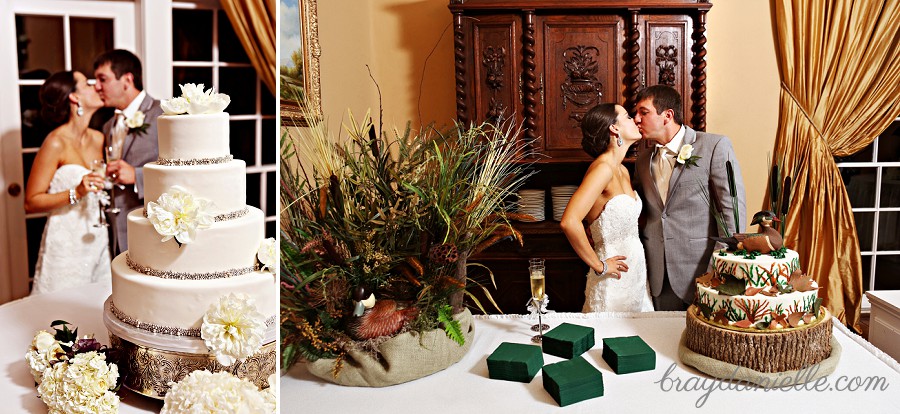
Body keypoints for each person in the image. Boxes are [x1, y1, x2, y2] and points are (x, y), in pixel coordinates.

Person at [633, 85, 746, 311]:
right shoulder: (642, 160)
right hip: (658, 275)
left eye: (643, 112)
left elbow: (732, 212)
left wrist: (719, 267)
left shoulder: (714, 146)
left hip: (703, 271)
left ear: (667, 115)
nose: (636, 119)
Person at [560, 103, 654, 312]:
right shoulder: (603, 169)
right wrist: (600, 266)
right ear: (614, 128)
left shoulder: (622, 170)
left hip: (636, 275)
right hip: (612, 278)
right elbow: (569, 221)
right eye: (629, 117)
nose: (636, 120)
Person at [25, 71, 111, 294]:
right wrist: (77, 191)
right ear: (75, 97)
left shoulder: (99, 138)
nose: (97, 87)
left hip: (97, 236)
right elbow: (31, 202)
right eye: (88, 84)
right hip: (65, 241)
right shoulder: (55, 143)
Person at [93, 49, 162, 254]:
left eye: (102, 79)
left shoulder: (164, 114)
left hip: (151, 224)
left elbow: (181, 167)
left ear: (127, 80)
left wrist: (137, 176)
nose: (97, 87)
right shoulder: (108, 126)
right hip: (116, 229)